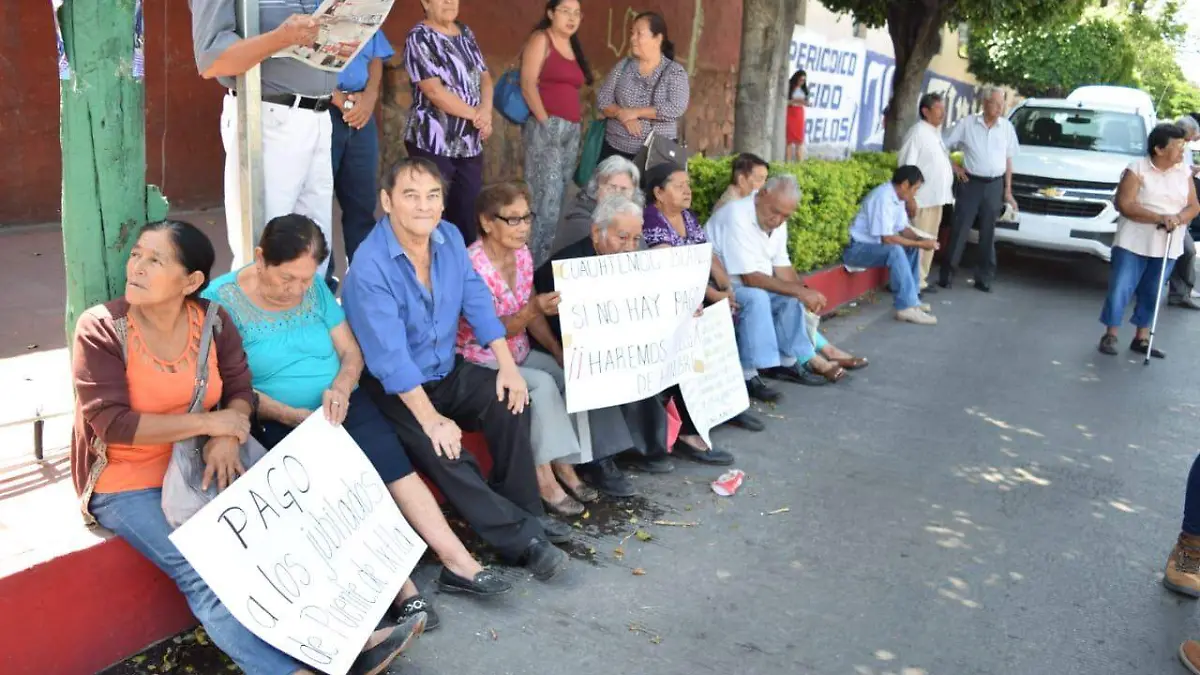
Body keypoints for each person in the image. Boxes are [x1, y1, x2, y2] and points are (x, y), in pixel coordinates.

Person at [70, 221, 423, 675]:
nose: (136, 267)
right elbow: (112, 425)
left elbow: (240, 389)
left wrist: (225, 433)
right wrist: (215, 423)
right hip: (129, 480)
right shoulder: (102, 328)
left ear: (192, 281)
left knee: (287, 539)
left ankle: (343, 643)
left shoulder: (213, 320)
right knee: (205, 574)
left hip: (204, 458)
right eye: (137, 254)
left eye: (155, 260)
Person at [204, 214, 514, 633]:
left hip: (338, 402)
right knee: (338, 487)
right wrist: (289, 414)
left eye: (305, 279)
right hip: (274, 417)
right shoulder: (220, 301)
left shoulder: (313, 288)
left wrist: (342, 388)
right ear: (260, 259)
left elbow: (351, 354)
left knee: (395, 468)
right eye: (286, 279)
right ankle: (402, 591)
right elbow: (225, 387)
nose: (297, 290)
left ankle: (459, 563)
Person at [343, 157, 572, 581]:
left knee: (511, 402)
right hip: (397, 389)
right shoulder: (370, 267)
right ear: (386, 201)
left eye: (433, 196)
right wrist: (432, 421)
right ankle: (521, 541)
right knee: (446, 450)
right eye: (410, 196)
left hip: (446, 370)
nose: (424, 206)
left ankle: (526, 517)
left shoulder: (447, 238)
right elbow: (391, 360)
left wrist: (508, 367)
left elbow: (479, 305)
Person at [456, 183, 600, 516]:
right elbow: (493, 328)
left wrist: (554, 348)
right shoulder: (472, 265)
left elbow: (529, 307)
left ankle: (568, 463)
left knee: (568, 373)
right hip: (482, 359)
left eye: (527, 218)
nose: (523, 227)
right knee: (542, 385)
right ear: (487, 222)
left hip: (519, 352)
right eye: (513, 219)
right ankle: (548, 481)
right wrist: (533, 309)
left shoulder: (522, 254)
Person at [533, 195, 675, 497]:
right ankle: (600, 460)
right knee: (593, 368)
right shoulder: (569, 267)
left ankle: (647, 443)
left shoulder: (629, 262)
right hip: (559, 345)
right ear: (597, 233)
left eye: (636, 239)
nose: (630, 246)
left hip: (608, 341)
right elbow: (559, 329)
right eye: (622, 237)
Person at [188, 0, 338, 279]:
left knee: (315, 246)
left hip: (318, 115)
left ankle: (309, 321)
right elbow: (212, 60)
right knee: (266, 248)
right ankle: (255, 321)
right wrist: (281, 38)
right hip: (268, 115)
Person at [707, 175, 868, 391]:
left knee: (790, 298)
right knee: (758, 298)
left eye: (785, 216)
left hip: (752, 283)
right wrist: (799, 292)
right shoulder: (737, 214)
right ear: (763, 194)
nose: (778, 220)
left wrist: (805, 293)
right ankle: (749, 375)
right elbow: (750, 278)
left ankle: (787, 363)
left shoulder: (778, 218)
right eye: (775, 212)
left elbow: (782, 265)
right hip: (721, 285)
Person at [641, 163, 755, 454]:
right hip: (669, 301)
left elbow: (705, 254)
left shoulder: (688, 218)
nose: (687, 190)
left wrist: (725, 285)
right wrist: (713, 294)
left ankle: (725, 406)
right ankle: (688, 430)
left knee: (722, 341)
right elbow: (674, 270)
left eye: (687, 184)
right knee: (687, 347)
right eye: (679, 186)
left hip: (696, 296)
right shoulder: (652, 220)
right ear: (658, 192)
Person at [1097, 123, 1199, 358]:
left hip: (1167, 243)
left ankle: (1141, 338)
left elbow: (1193, 206)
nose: (1182, 152)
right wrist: (1159, 217)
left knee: (1153, 291)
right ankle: (1110, 334)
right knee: (1121, 288)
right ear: (1159, 149)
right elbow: (1126, 204)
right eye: (1177, 147)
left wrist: (1178, 218)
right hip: (1133, 241)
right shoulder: (1137, 169)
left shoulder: (1183, 172)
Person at [402, 0, 494, 244]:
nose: (449, 2)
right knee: (432, 215)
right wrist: (476, 115)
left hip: (469, 143)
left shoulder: (465, 33)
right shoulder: (419, 37)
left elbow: (485, 77)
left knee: (466, 213)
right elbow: (433, 91)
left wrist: (486, 110)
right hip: (433, 140)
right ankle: (429, 274)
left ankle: (459, 271)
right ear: (425, 2)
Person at [520, 0, 593, 268]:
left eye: (577, 13)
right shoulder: (542, 39)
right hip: (546, 128)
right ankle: (532, 269)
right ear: (551, 13)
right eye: (565, 12)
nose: (572, 18)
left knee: (559, 202)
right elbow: (528, 84)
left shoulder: (573, 46)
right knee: (545, 204)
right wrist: (545, 122)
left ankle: (544, 264)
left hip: (570, 132)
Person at [939, 86, 1020, 293]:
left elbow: (1008, 160)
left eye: (1002, 104)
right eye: (996, 103)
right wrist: (954, 166)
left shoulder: (1006, 128)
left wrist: (1007, 190)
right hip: (971, 182)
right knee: (960, 228)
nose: (1000, 108)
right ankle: (946, 275)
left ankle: (984, 278)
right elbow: (942, 144)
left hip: (994, 184)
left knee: (988, 232)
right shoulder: (968, 124)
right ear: (985, 103)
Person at [843, 166, 940, 326]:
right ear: (904, 185)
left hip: (873, 247)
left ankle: (912, 299)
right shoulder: (883, 197)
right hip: (857, 249)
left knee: (912, 247)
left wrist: (921, 240)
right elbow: (887, 239)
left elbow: (902, 228)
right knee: (895, 250)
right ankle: (906, 307)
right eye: (915, 189)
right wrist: (920, 242)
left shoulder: (898, 197)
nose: (915, 194)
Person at [331, 29, 394, 269]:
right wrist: (341, 100)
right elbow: (305, 64)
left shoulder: (364, 6)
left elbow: (376, 56)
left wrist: (369, 98)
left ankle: (364, 279)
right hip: (322, 109)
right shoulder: (311, 6)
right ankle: (322, 286)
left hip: (361, 113)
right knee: (316, 207)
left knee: (363, 203)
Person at [595, 12, 690, 162]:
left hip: (657, 155)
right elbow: (603, 100)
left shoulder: (674, 71)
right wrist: (623, 114)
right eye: (632, 33)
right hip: (615, 151)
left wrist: (636, 112)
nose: (633, 38)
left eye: (640, 34)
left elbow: (676, 107)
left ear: (658, 39)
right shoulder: (623, 66)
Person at [898, 92, 954, 292]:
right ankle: (909, 283)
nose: (942, 113)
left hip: (936, 199)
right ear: (925, 111)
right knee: (918, 242)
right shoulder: (918, 132)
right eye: (938, 109)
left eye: (943, 109)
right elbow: (907, 166)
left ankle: (920, 281)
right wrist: (909, 198)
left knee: (929, 241)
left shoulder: (934, 132)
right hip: (921, 199)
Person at [561, 154, 642, 236]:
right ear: (597, 187)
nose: (617, 194)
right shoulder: (581, 222)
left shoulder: (632, 216)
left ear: (633, 194)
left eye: (624, 189)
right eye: (612, 187)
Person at [1169, 114, 1200, 310]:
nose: (1192, 139)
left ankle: (1179, 293)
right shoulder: (1171, 145)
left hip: (1182, 208)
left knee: (1181, 251)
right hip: (1171, 209)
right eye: (1191, 135)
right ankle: (1179, 293)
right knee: (1186, 251)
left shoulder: (1183, 147)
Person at [785, 70, 808, 163]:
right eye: (800, 80)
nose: (802, 82)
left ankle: (800, 163)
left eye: (804, 81)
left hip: (799, 113)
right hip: (791, 112)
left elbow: (805, 100)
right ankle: (788, 162)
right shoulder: (790, 88)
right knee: (789, 140)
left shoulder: (803, 89)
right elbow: (786, 101)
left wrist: (805, 103)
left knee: (800, 140)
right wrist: (794, 101)